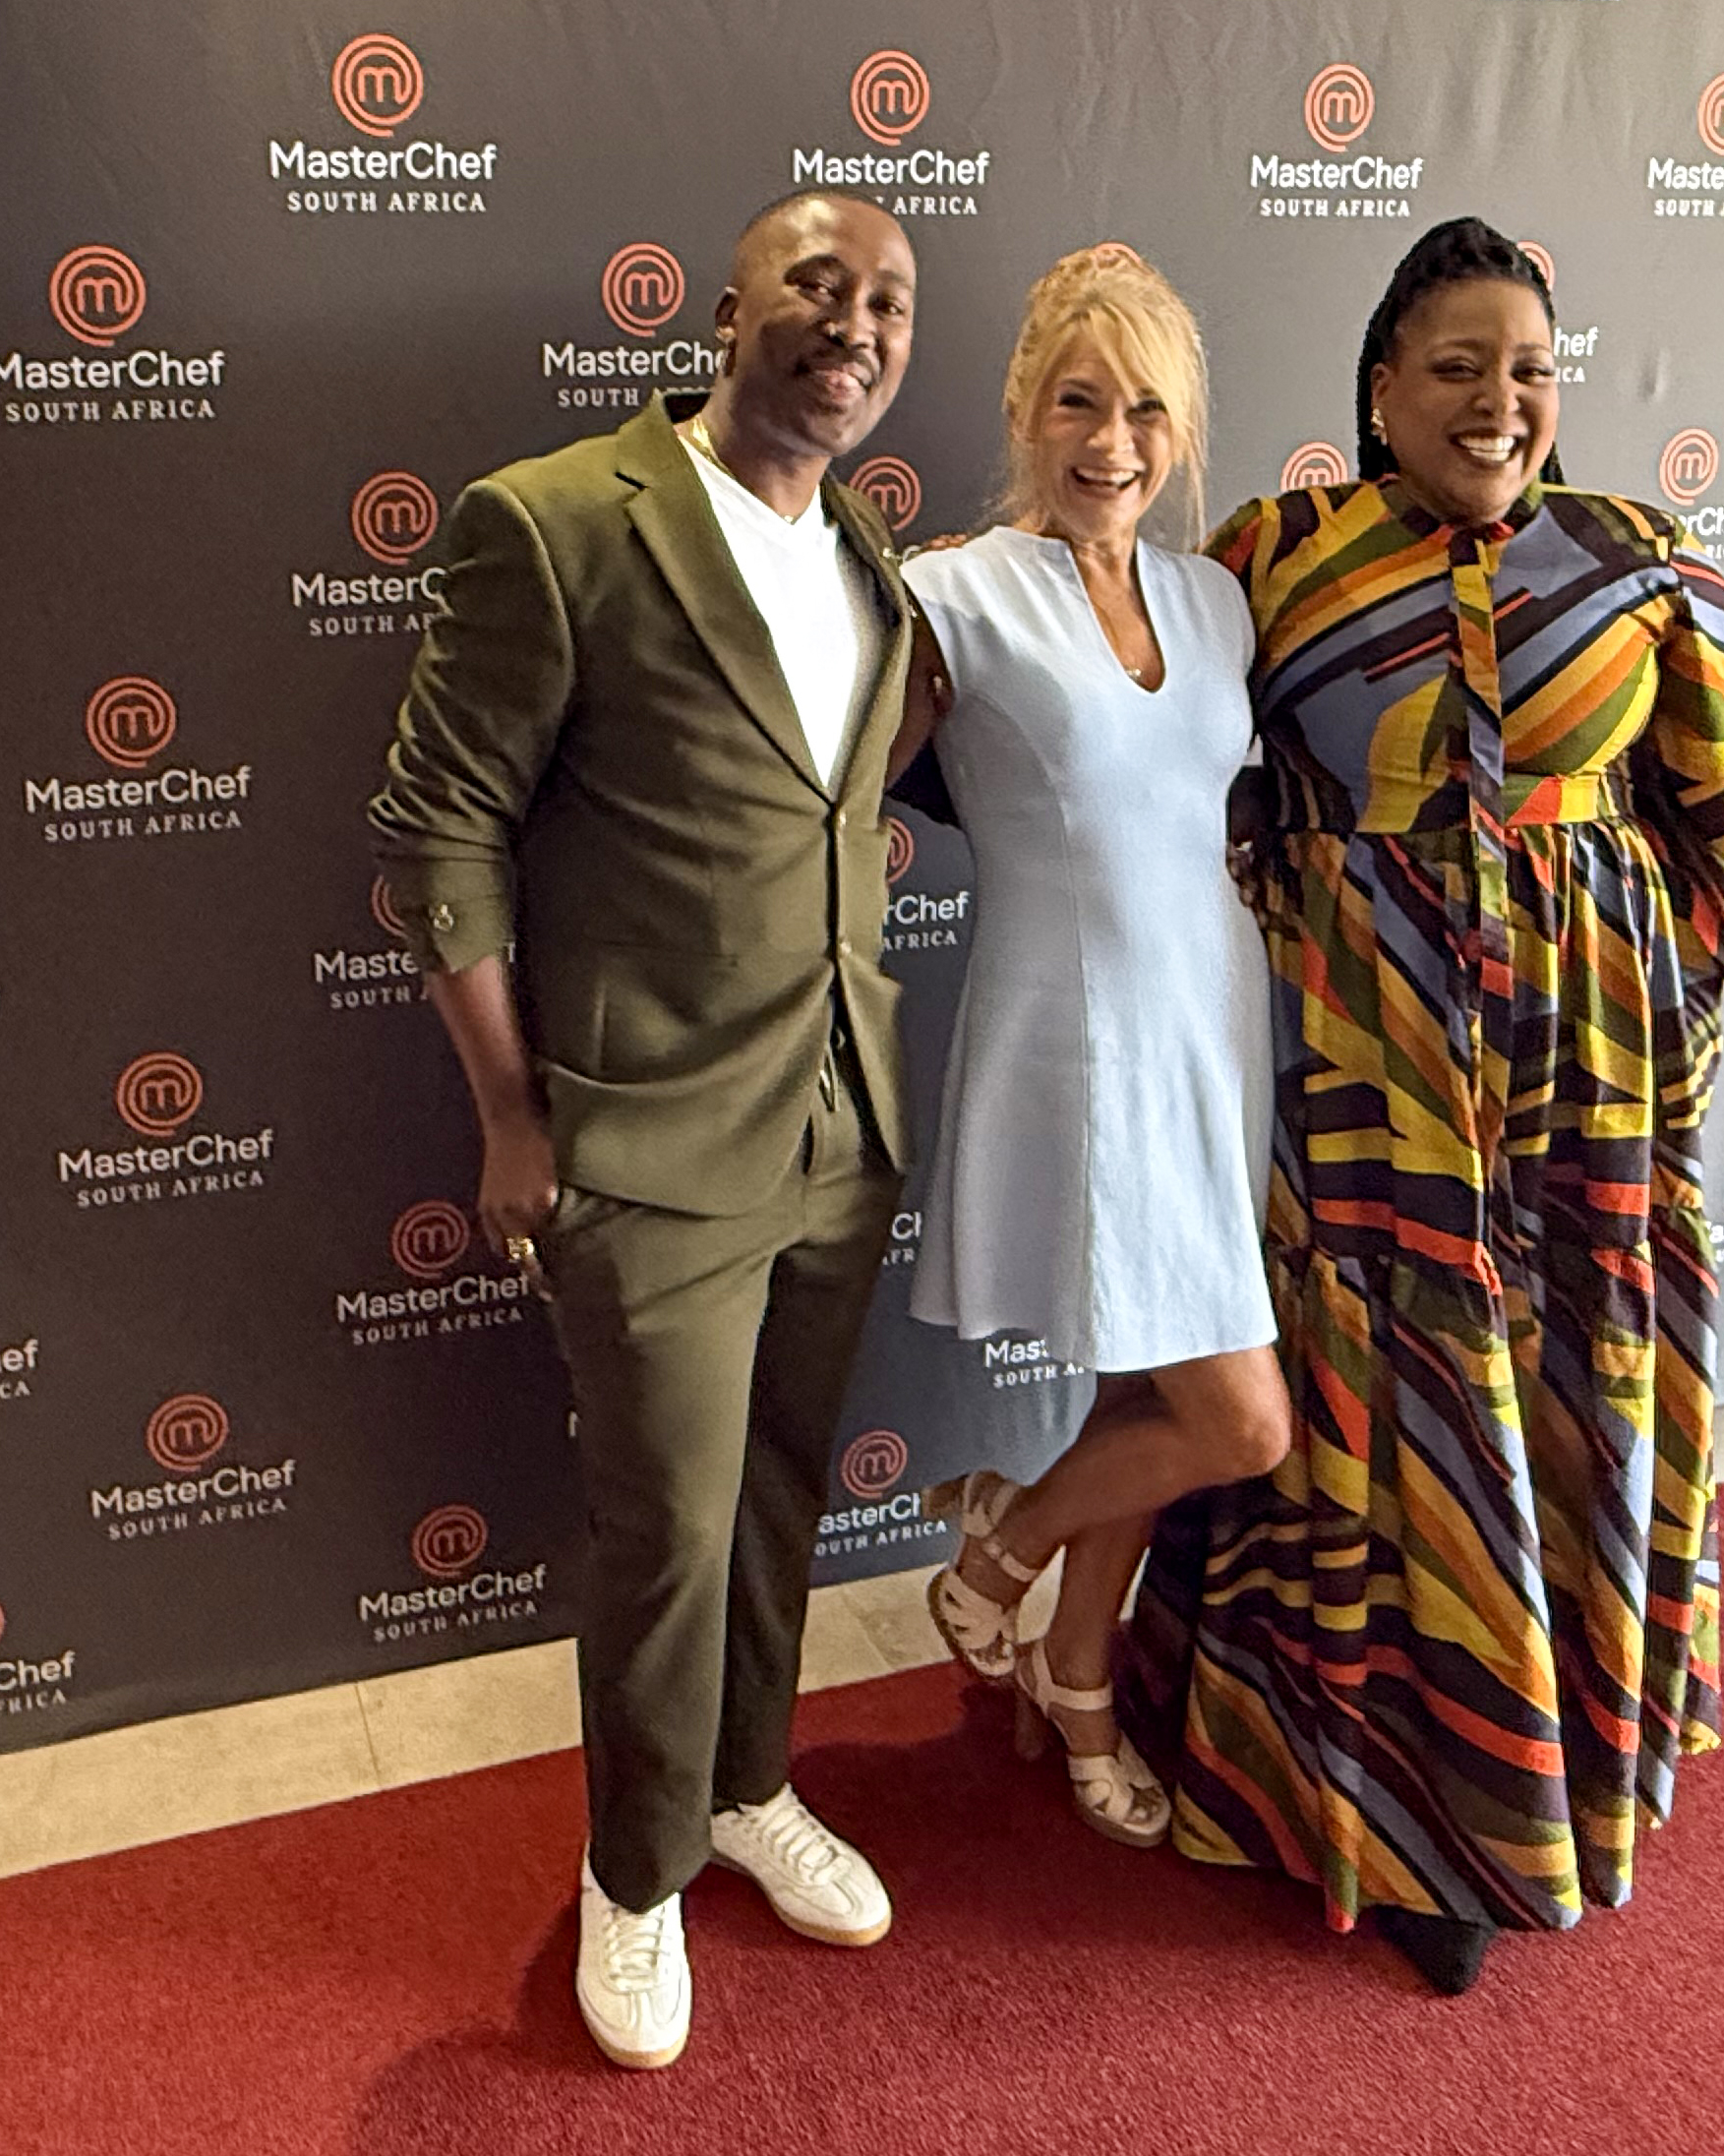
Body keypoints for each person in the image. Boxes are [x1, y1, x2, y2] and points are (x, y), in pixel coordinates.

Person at [1125, 217, 1724, 1994]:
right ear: (1377, 385)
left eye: (1528, 371)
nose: (1496, 402)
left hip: (1584, 1088)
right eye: (1455, 367)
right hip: (1369, 1068)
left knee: (1557, 1385)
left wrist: (1648, 1026)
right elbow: (1172, 760)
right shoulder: (1277, 557)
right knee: (1380, 1400)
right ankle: (1396, 1812)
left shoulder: (1638, 560)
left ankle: (1549, 1757)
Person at [368, 188, 944, 2071]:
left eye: (888, 304)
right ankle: (633, 1876)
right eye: (817, 284)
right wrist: (513, 1117)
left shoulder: (875, 560)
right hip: (639, 1151)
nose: (852, 324)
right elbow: (436, 831)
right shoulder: (553, 524)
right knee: (667, 1537)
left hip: (840, 1130)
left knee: (779, 1502)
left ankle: (747, 1785)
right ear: (722, 309)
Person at [902, 244, 1290, 1846]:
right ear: (1023, 409)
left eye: (1142, 409)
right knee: (1237, 1417)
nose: (1109, 441)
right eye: (1077, 401)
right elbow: (827, 792)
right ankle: (995, 1549)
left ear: (1181, 429)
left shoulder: (1214, 600)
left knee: (1147, 1378)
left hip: (1214, 1023)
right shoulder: (951, 592)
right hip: (1075, 1046)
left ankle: (1076, 1673)